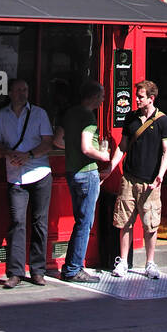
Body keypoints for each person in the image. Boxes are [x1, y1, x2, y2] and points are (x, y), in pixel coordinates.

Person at [104, 79, 167, 280]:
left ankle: (150, 263)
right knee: (125, 221)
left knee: (150, 223)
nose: (136, 99)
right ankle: (123, 261)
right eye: (137, 96)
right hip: (129, 178)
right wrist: (111, 167)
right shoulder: (131, 118)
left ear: (151, 98)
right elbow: (123, 146)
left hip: (150, 181)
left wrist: (161, 174)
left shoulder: (163, 121)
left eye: (140, 97)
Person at [0, 79, 53, 287]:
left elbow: (47, 142)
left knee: (39, 222)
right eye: (18, 90)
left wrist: (29, 155)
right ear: (9, 93)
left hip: (40, 173)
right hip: (15, 175)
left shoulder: (39, 113)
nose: (22, 94)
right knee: (17, 222)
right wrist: (9, 153)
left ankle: (38, 270)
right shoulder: (2, 116)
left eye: (25, 90)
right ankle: (15, 272)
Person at [59, 79, 110, 283]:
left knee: (79, 220)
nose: (103, 100)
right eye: (102, 96)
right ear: (93, 97)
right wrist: (103, 156)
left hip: (71, 172)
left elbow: (57, 140)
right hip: (87, 172)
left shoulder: (70, 113)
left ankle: (70, 265)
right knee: (85, 222)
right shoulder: (89, 117)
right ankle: (73, 268)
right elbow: (86, 147)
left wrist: (70, 150)